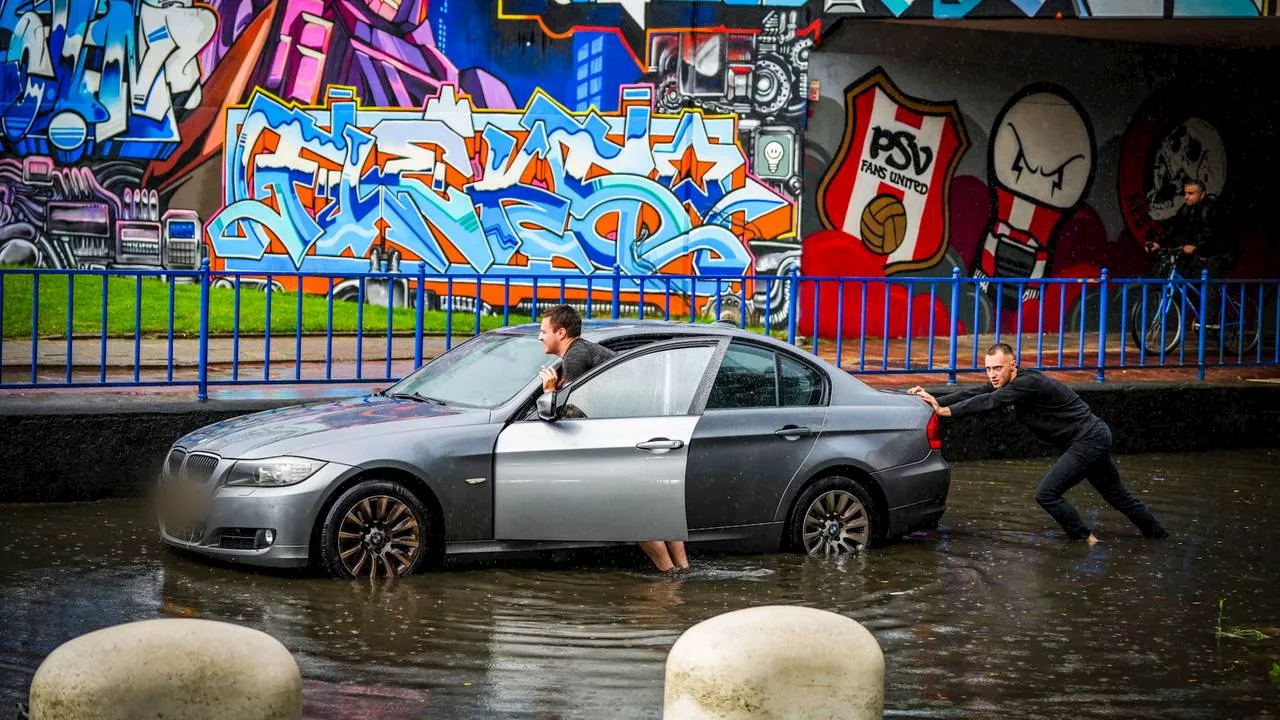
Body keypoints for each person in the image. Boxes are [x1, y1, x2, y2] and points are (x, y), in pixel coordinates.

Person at [907, 343, 1168, 544]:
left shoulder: (1028, 382)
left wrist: (946, 412)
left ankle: (1085, 539)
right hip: (1092, 438)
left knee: (1047, 494)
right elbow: (977, 392)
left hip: (1089, 439)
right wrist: (937, 399)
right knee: (1119, 497)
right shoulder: (1006, 383)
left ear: (1013, 365)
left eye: (997, 368)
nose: (992, 375)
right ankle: (1158, 536)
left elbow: (989, 402)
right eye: (988, 369)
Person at [535, 304, 691, 573]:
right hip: (646, 433)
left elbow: (574, 412)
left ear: (560, 333)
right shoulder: (582, 351)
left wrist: (550, 391)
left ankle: (669, 578)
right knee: (656, 509)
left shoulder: (574, 358)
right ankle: (682, 571)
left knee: (634, 514)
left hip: (624, 441)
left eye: (543, 331)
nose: (540, 336)